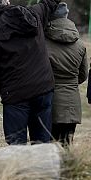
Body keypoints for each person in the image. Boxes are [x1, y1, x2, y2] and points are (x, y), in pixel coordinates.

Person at [0, 0, 61, 145]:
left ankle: (21, 168)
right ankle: (44, 167)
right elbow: (50, 2)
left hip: (15, 94)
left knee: (17, 148)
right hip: (43, 88)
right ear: (6, 2)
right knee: (43, 145)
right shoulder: (33, 14)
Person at [46, 3, 88, 147]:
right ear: (66, 16)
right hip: (72, 104)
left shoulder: (43, 43)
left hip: (49, 101)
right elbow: (83, 75)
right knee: (66, 146)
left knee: (49, 147)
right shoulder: (80, 45)